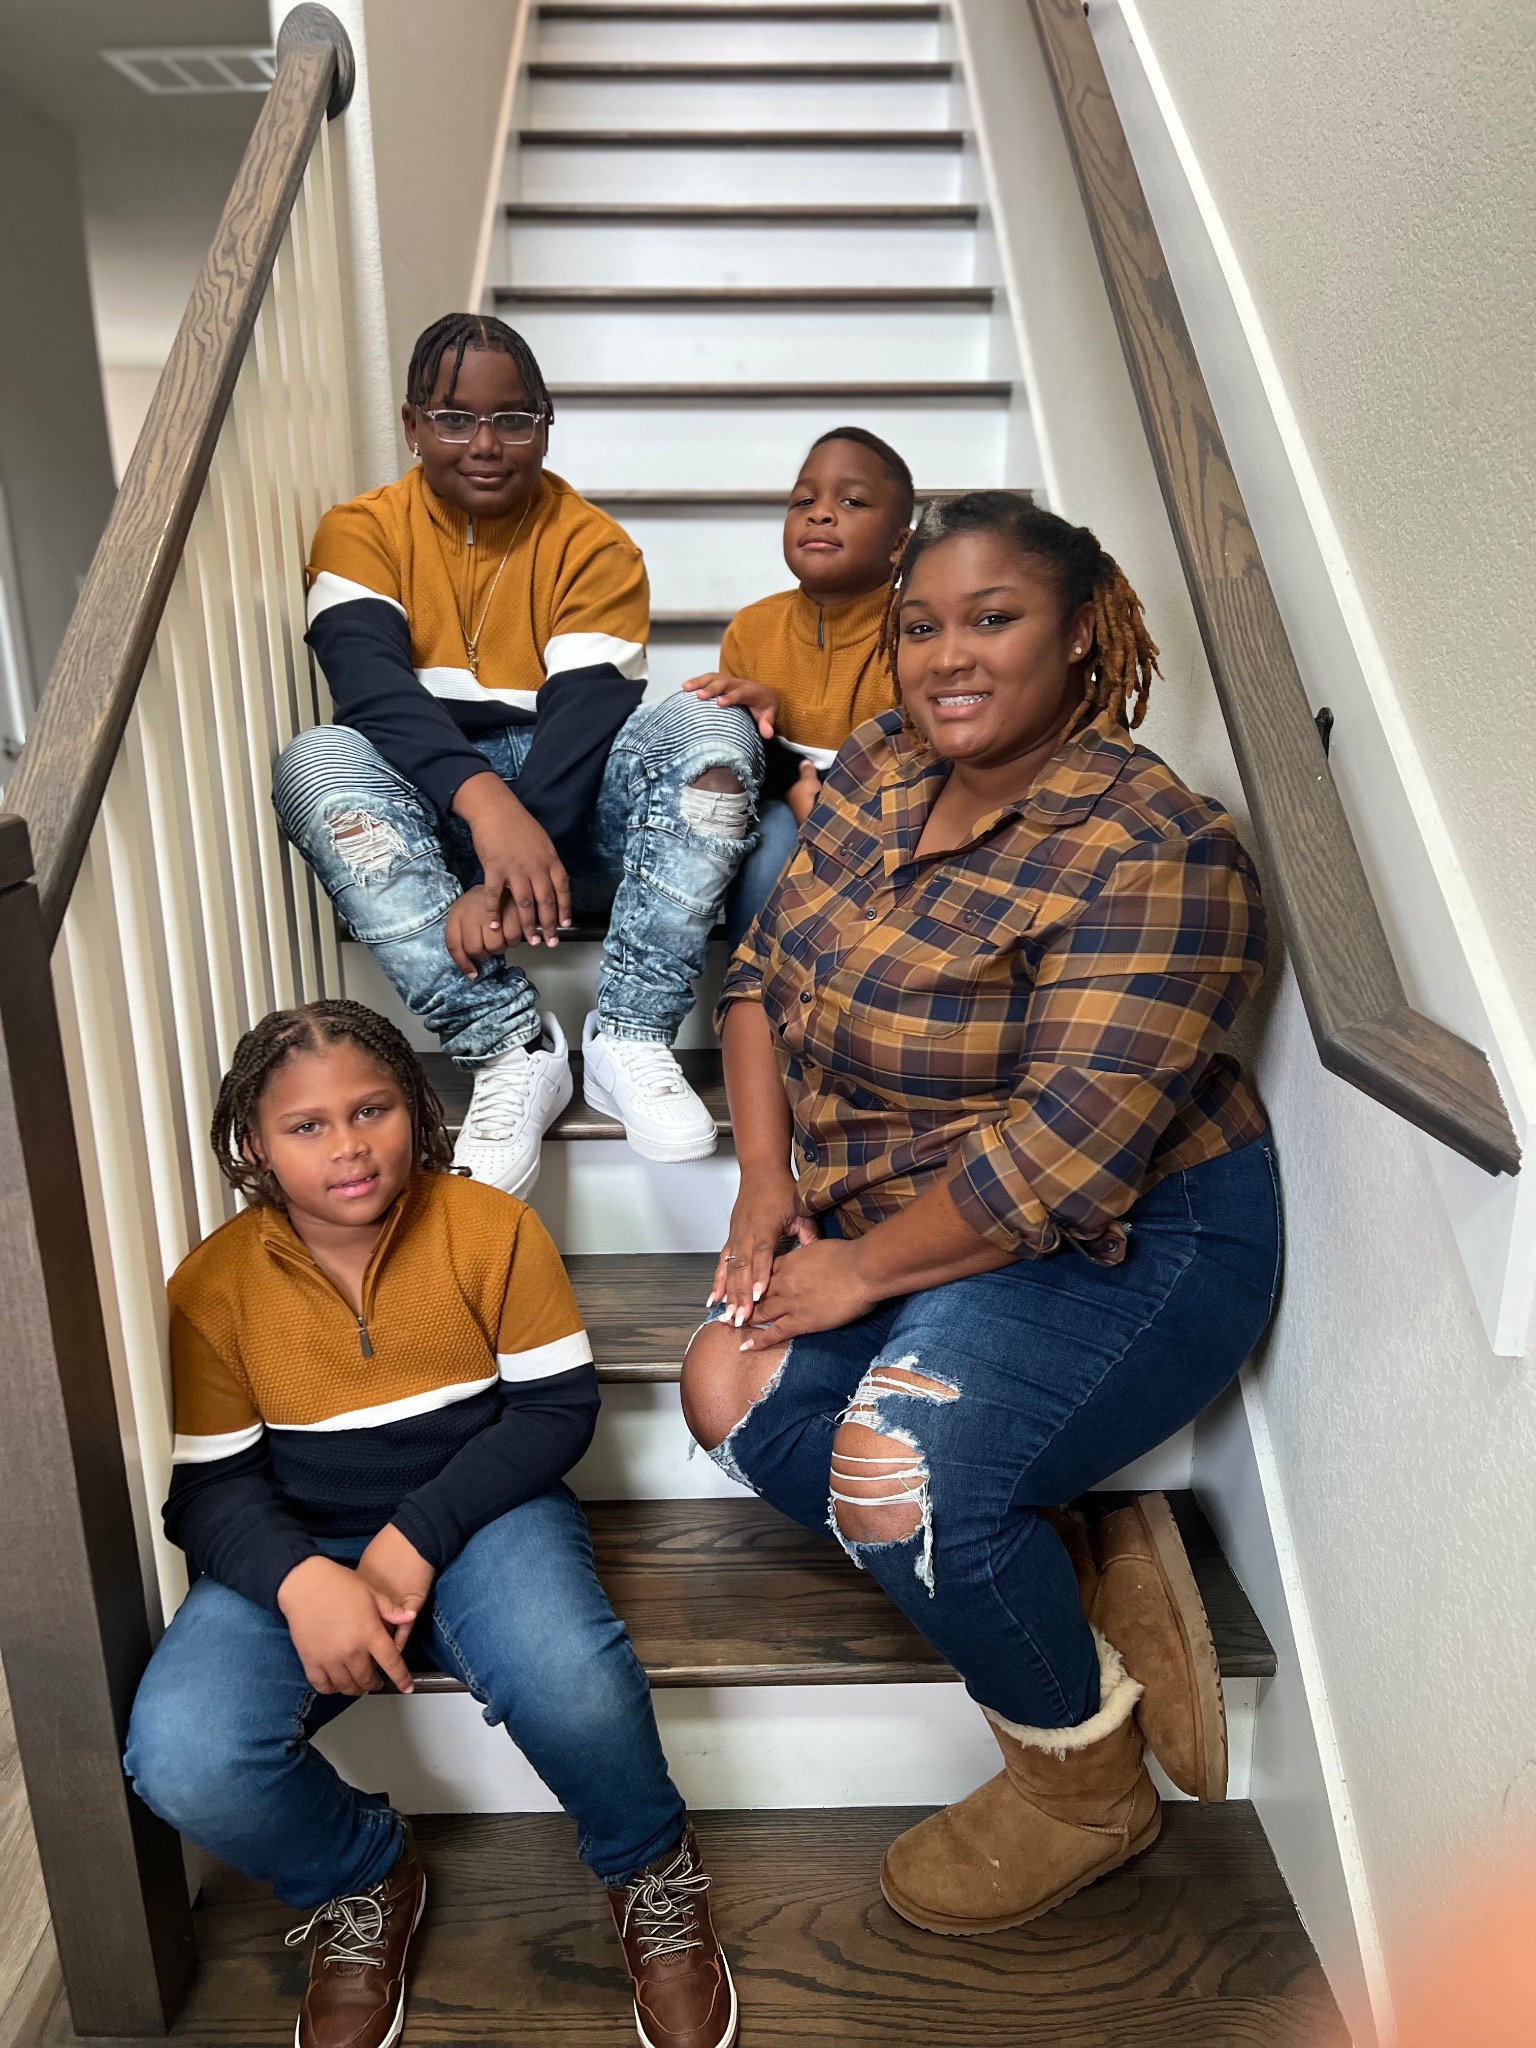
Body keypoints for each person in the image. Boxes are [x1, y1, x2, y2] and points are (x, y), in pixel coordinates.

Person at [680, 492, 1281, 1935]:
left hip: (1135, 1233)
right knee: (722, 1386)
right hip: (899, 1203)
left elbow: (1059, 1164)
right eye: (921, 626)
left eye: (993, 619)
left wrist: (854, 1276)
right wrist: (765, 1178)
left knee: (899, 1476)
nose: (946, 656)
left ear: (1078, 635)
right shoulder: (880, 766)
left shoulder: (1159, 848)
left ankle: (1084, 1785)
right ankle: (1069, 1555)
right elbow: (760, 972)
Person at [124, 1000, 738, 2048]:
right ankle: (363, 1875)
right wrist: (302, 1581)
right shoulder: (212, 1284)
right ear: (253, 1145)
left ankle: (650, 1868)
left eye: (371, 1109)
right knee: (182, 1751)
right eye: (306, 1125)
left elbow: (556, 1411)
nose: (349, 1145)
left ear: (414, 1104)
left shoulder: (490, 1227)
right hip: (305, 1540)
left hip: (487, 1516)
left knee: (571, 1677)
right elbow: (210, 1491)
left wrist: (415, 1534)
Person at [273, 314, 763, 1196]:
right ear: (412, 423)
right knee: (317, 759)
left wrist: (514, 850)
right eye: (454, 418)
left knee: (715, 734)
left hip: (574, 830)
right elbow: (374, 695)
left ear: (547, 423)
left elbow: (584, 719)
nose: (486, 444)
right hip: (434, 823)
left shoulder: (595, 545)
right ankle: (510, 1045)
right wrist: (487, 813)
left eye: (513, 419)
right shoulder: (360, 533)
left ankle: (629, 1034)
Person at [681, 426, 912, 944]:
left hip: (889, 814)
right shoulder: (753, 628)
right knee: (770, 844)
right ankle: (752, 988)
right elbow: (739, 757)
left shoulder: (917, 632)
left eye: (851, 501)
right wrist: (775, 744)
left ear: (900, 545)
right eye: (804, 501)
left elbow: (919, 756)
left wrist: (828, 803)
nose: (820, 513)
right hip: (783, 802)